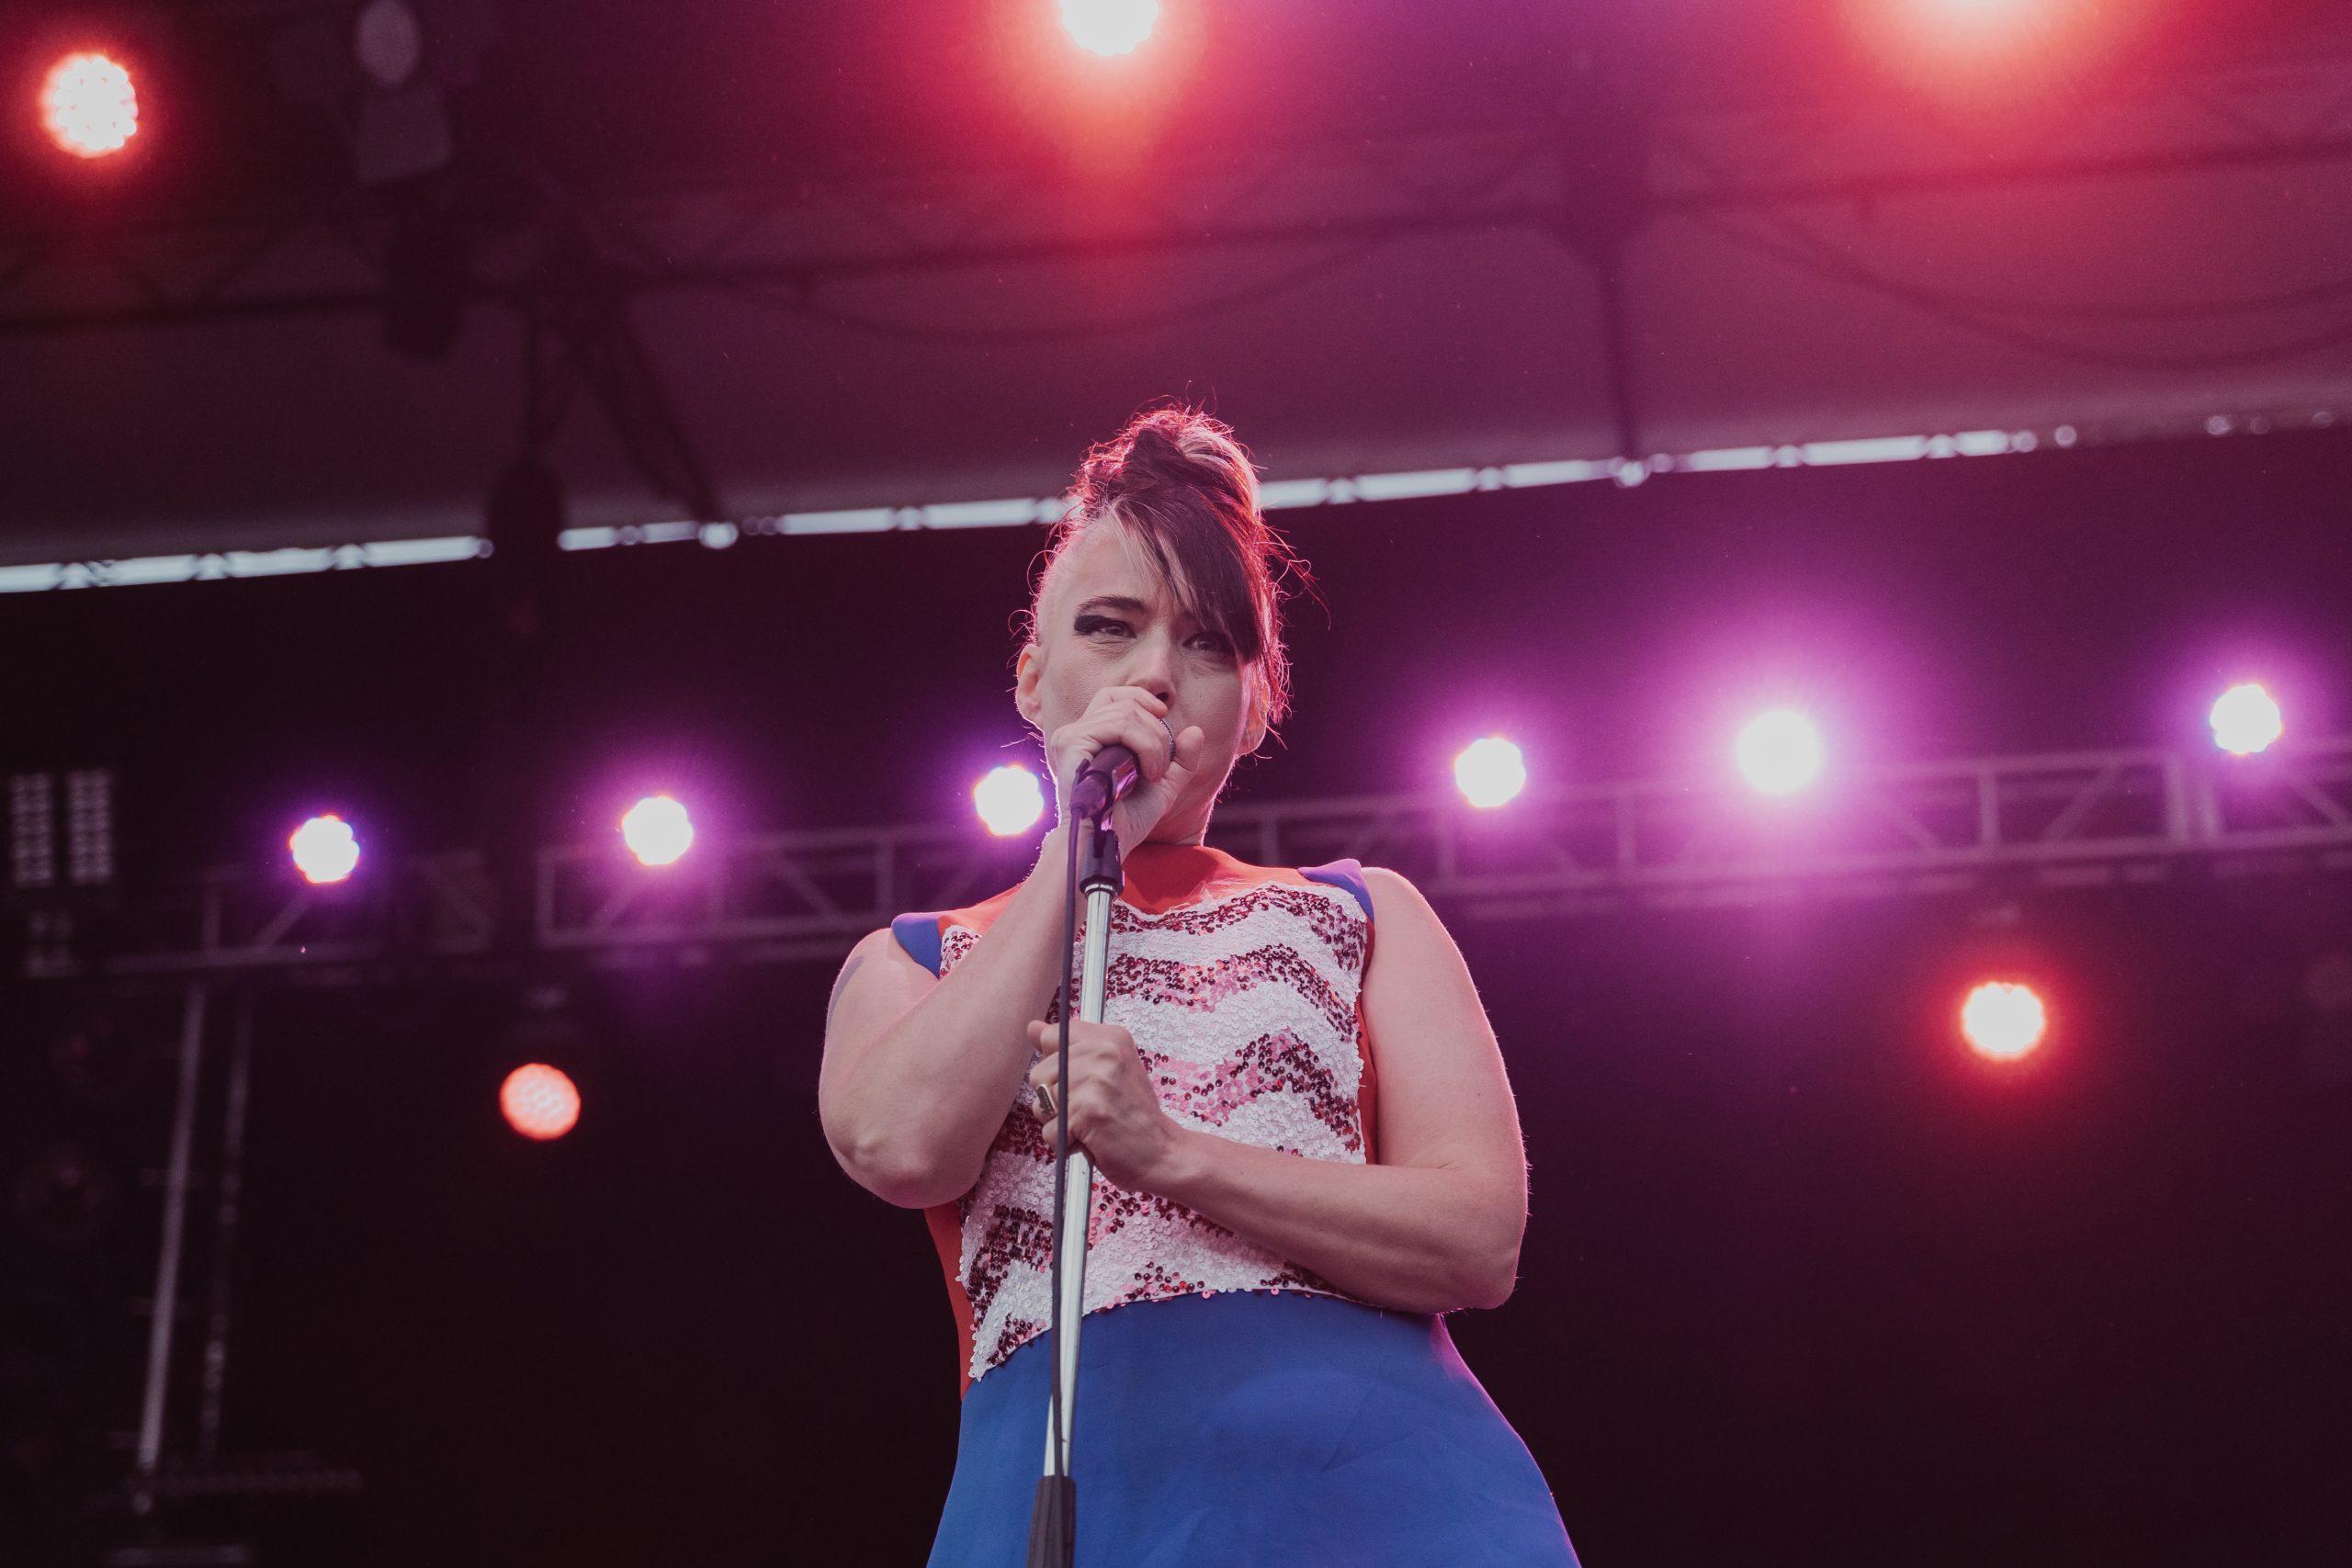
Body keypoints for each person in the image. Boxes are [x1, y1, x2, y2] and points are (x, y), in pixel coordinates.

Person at [819, 406, 1580, 1565]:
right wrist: (1078, 854)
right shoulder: (915, 959)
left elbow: (1477, 1240)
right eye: (1109, 629)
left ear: (1258, 704)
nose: (1155, 677)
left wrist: (1169, 1155)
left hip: (1383, 1493)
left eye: (1209, 645)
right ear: (1032, 679)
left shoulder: (1362, 910)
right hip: (1082, 1484)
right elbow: (900, 1145)